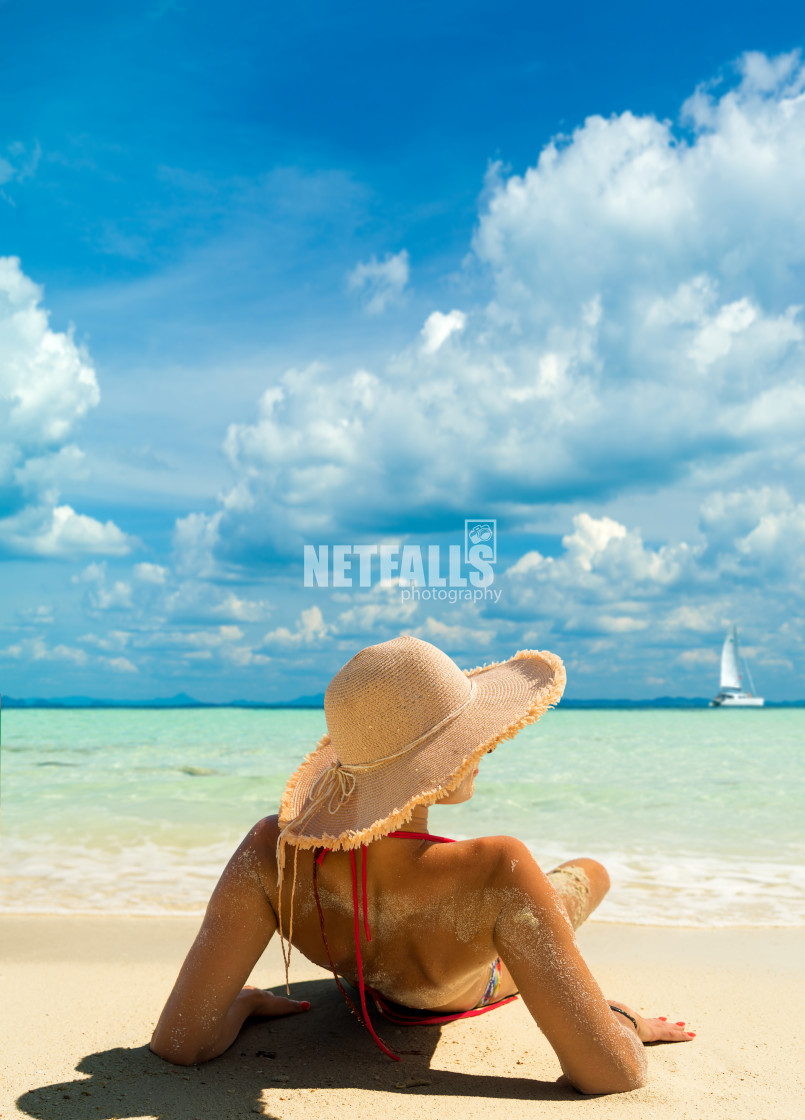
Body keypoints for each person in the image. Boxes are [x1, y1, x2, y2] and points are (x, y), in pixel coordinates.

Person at [151, 636, 694, 1093]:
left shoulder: (273, 851)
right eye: (469, 738)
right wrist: (620, 1021)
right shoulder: (497, 868)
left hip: (367, 977)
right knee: (590, 872)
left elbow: (180, 1043)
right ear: (439, 759)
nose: (484, 750)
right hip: (465, 980)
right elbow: (610, 1075)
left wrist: (243, 1003)